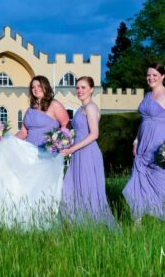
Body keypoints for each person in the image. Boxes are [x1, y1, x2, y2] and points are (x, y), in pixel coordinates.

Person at [0, 75, 69, 225]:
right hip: (28, 152)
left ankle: (43, 218)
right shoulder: (30, 109)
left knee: (43, 188)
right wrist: (7, 142)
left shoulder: (54, 105)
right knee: (23, 185)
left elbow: (65, 124)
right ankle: (24, 218)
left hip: (47, 153)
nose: (36, 89)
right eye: (33, 87)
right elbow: (23, 133)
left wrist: (59, 142)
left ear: (46, 87)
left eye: (39, 86)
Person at [60, 76, 116, 227]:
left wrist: (72, 148)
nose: (79, 90)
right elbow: (78, 132)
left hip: (88, 153)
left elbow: (94, 134)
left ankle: (93, 225)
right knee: (70, 188)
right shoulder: (80, 109)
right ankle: (77, 224)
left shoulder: (91, 107)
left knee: (87, 189)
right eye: (77, 87)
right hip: (78, 153)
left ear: (91, 89)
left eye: (83, 87)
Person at [123, 63, 165, 222]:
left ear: (163, 76)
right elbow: (143, 121)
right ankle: (137, 221)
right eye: (148, 75)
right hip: (143, 144)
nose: (151, 78)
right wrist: (136, 141)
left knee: (161, 180)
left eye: (155, 75)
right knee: (138, 180)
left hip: (159, 144)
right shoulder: (147, 96)